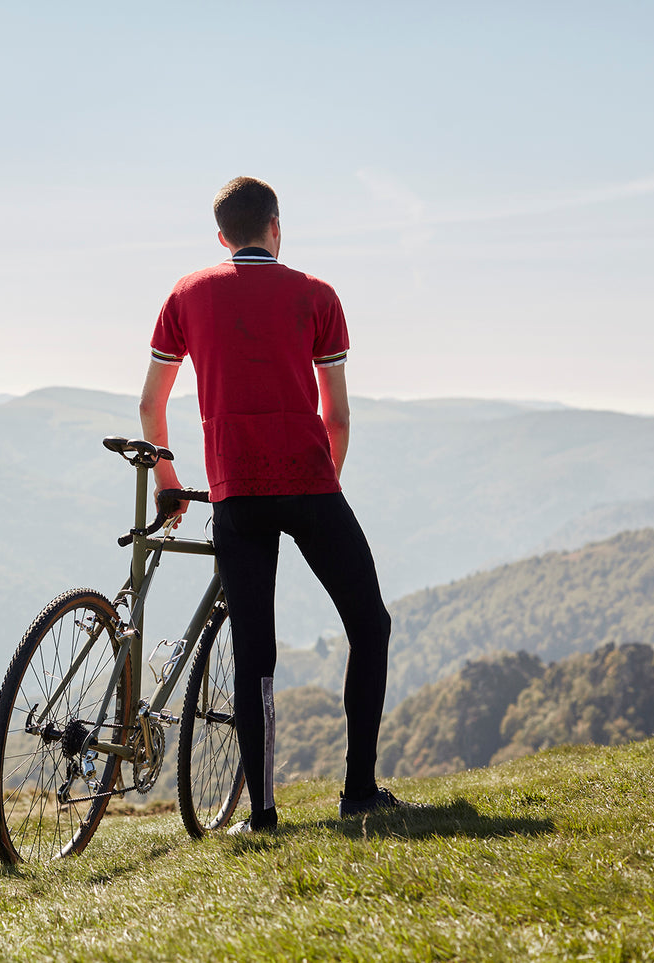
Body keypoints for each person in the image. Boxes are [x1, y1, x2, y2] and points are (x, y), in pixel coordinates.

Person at [138, 175, 418, 833]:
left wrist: (168, 481)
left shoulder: (185, 295)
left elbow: (151, 403)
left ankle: (261, 814)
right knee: (368, 625)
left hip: (236, 491)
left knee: (253, 651)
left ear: (221, 236)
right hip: (309, 483)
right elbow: (337, 415)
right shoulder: (317, 296)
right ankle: (357, 791)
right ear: (275, 225)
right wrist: (322, 484)